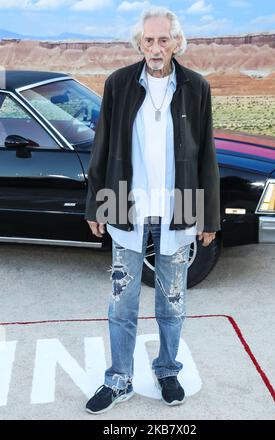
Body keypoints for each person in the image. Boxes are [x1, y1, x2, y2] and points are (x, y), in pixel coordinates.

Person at [84, 6, 220, 415]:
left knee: (172, 301)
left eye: (164, 40)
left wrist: (208, 216)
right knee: (121, 302)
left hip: (179, 211)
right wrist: (97, 206)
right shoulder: (119, 84)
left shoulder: (196, 87)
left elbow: (204, 156)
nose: (156, 48)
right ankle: (119, 379)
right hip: (127, 209)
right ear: (139, 43)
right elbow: (104, 150)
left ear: (176, 42)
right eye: (149, 40)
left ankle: (167, 371)